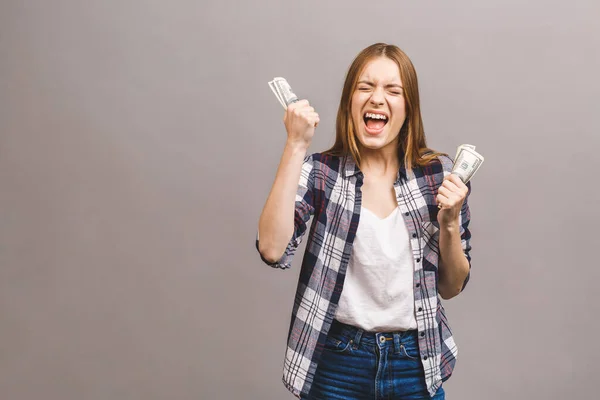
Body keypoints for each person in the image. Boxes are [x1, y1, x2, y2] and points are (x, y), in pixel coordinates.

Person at [256, 43, 473, 400]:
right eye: (365, 87)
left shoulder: (439, 176)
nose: (377, 98)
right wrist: (295, 145)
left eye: (393, 90)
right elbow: (271, 248)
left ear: (408, 107)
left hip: (414, 361)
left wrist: (449, 224)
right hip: (336, 362)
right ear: (349, 102)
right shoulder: (321, 173)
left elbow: (451, 287)